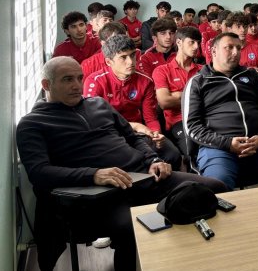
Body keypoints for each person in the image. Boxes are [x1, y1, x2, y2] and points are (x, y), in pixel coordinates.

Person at [16, 57, 226, 271]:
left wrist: (153, 159)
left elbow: (133, 138)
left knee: (216, 188)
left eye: (79, 78)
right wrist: (94, 175)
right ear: (46, 85)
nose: (77, 85)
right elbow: (39, 172)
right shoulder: (33, 123)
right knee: (131, 226)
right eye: (67, 79)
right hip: (100, 195)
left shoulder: (98, 104)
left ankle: (195, 258)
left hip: (143, 176)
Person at [183, 32, 258, 189]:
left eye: (238, 48)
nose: (235, 52)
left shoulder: (252, 75)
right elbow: (191, 127)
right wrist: (228, 143)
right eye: (229, 48)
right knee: (218, 185)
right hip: (219, 147)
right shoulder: (198, 82)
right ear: (214, 51)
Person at [85, 34, 182, 169]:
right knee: (132, 160)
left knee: (172, 154)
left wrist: (156, 134)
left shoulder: (145, 81)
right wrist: (135, 126)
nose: (130, 62)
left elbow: (150, 117)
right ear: (108, 62)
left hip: (138, 134)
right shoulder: (95, 81)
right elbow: (95, 122)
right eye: (123, 57)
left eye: (132, 55)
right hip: (109, 134)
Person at [154, 25, 202, 157]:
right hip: (179, 122)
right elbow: (164, 102)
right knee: (193, 150)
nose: (196, 47)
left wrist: (179, 95)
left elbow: (213, 99)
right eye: (191, 42)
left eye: (198, 42)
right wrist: (197, 95)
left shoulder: (203, 70)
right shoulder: (162, 70)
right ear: (179, 42)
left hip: (204, 118)